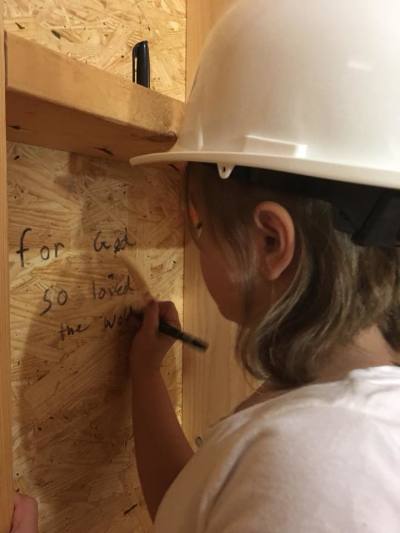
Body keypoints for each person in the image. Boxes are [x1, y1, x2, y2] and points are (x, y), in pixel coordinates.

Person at [128, 0, 400, 531]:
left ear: (270, 241)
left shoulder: (315, 471)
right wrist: (145, 377)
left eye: (199, 227)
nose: (197, 247)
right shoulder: (316, 423)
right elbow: (199, 502)